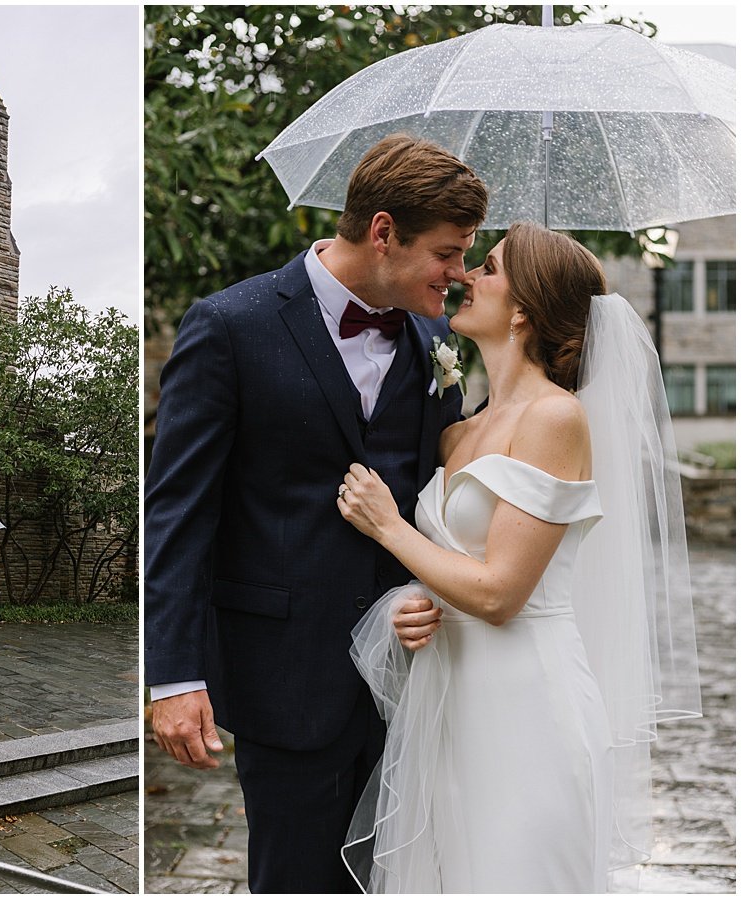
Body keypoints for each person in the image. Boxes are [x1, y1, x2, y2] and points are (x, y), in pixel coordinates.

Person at [145, 134, 488, 893]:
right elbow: (177, 511)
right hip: (284, 676)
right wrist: (172, 675)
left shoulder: (436, 340)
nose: (459, 274)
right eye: (448, 253)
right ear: (384, 232)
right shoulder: (230, 326)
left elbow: (442, 497)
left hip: (410, 682)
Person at [336, 222, 701, 892]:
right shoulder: (454, 432)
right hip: (449, 709)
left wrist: (389, 525)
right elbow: (450, 566)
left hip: (530, 706)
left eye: (491, 267)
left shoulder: (557, 419)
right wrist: (413, 605)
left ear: (525, 307)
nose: (466, 276)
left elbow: (501, 593)